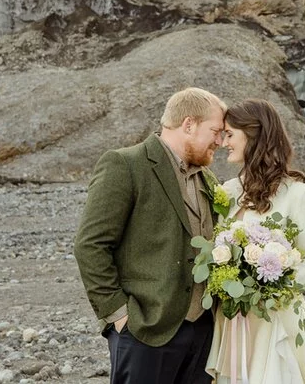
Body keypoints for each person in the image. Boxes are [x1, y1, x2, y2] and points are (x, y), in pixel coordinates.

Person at [74, 87, 227, 384]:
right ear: (189, 124)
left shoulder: (208, 179)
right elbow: (90, 245)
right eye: (216, 131)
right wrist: (119, 316)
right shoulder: (126, 164)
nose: (220, 141)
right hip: (145, 330)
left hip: (203, 334)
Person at [206, 98, 305, 384]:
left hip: (277, 320)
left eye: (230, 134)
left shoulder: (298, 193)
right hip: (234, 322)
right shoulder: (229, 192)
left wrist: (273, 287)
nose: (224, 142)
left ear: (253, 135)